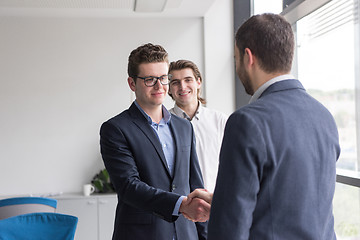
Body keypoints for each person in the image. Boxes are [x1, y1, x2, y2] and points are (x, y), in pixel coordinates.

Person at [203, 13, 340, 239]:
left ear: (248, 57)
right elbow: (293, 198)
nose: (237, 67)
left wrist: (225, 207)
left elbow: (230, 228)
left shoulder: (246, 121)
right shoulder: (324, 115)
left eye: (236, 58)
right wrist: (222, 201)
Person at [100, 43, 209, 240]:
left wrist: (205, 235)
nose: (160, 86)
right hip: (142, 234)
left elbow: (195, 185)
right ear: (132, 84)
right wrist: (181, 205)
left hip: (186, 234)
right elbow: (128, 187)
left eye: (164, 78)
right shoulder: (115, 129)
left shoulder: (184, 127)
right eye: (150, 79)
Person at [168, 59, 228, 192]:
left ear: (198, 82)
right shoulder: (162, 123)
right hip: (178, 205)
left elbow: (233, 165)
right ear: (169, 88)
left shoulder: (220, 121)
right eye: (175, 82)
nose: (182, 87)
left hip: (214, 202)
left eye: (188, 80)